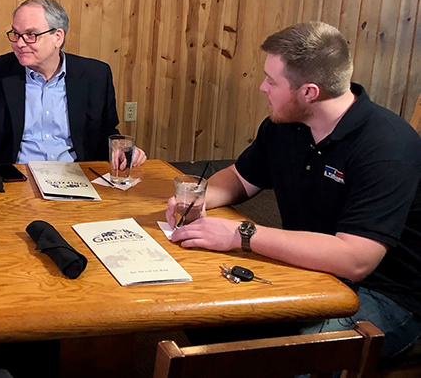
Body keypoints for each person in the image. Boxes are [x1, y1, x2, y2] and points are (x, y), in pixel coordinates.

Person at [168, 21, 421, 360]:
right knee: (203, 314)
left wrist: (242, 233)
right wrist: (197, 199)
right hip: (309, 267)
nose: (262, 87)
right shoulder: (285, 125)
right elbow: (241, 178)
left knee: (282, 358)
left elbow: (356, 260)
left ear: (309, 92)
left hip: (387, 294)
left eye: (272, 81)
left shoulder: (387, 146)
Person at [0, 0, 147, 174]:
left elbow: (106, 132)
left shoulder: (95, 75)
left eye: (31, 35)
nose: (19, 43)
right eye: (16, 34)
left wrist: (120, 148)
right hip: (15, 179)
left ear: (58, 37)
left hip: (77, 176)